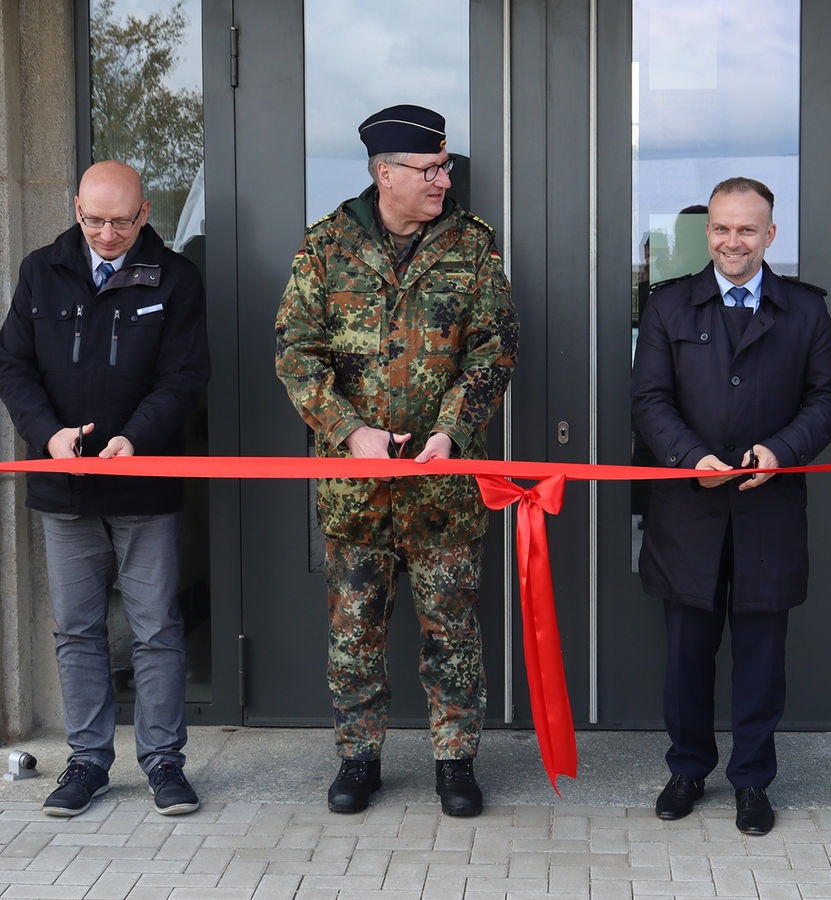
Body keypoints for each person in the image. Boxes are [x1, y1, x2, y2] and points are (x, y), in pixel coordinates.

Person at [275, 104, 519, 818]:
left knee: (453, 634)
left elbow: (494, 350)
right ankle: (359, 760)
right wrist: (350, 431)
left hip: (444, 486)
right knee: (355, 634)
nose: (444, 180)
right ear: (385, 174)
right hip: (357, 490)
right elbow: (295, 353)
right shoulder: (326, 246)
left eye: (445, 167)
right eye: (430, 169)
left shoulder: (473, 246)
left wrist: (451, 432)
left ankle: (455, 762)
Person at [0, 160, 211, 818]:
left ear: (144, 214)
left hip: (144, 483)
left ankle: (164, 762)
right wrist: (48, 436)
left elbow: (185, 377)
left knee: (156, 629)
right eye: (94, 221)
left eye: (120, 222)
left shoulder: (175, 278)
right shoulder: (40, 271)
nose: (107, 234)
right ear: (76, 210)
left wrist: (135, 439)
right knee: (78, 631)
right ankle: (87, 761)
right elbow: (12, 365)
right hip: (65, 486)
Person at [630, 177, 831, 836]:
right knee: (685, 658)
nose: (733, 241)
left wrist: (783, 449)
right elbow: (648, 399)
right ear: (707, 233)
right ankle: (688, 770)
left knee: (760, 659)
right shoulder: (667, 306)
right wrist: (689, 457)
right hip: (687, 512)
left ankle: (752, 782)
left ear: (770, 235)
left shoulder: (805, 310)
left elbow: (827, 398)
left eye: (747, 229)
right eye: (722, 228)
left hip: (767, 510)